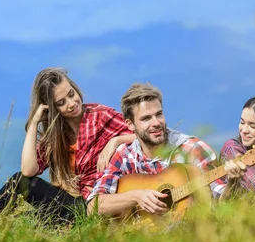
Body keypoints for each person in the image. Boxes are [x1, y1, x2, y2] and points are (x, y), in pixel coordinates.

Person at [0, 67, 135, 222]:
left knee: (29, 219)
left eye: (71, 94)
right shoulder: (57, 135)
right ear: (52, 108)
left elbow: (145, 136)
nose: (71, 104)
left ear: (75, 88)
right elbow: (28, 170)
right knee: (21, 189)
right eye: (61, 102)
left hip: (96, 203)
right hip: (72, 204)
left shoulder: (99, 116)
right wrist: (33, 123)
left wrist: (116, 140)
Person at [86, 82, 241, 217]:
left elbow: (222, 203)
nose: (156, 123)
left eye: (159, 114)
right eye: (146, 118)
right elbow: (93, 207)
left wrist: (233, 182)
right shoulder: (124, 156)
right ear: (130, 124)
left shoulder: (193, 149)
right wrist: (136, 197)